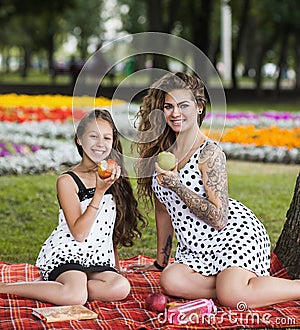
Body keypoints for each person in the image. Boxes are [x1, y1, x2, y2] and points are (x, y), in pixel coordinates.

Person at [134, 71, 300, 308]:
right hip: (196, 248)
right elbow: (163, 211)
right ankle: (237, 285)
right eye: (169, 106)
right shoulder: (162, 155)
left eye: (183, 105)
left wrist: (177, 186)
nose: (175, 113)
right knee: (170, 280)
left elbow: (219, 218)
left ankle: (257, 287)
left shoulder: (209, 153)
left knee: (232, 297)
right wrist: (161, 262)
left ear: (199, 107)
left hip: (233, 235)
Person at [0, 109, 144, 305]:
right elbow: (78, 233)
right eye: (93, 136)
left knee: (121, 287)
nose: (100, 143)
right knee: (75, 297)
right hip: (69, 251)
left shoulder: (113, 177)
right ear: (79, 140)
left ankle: (61, 287)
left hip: (97, 257)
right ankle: (7, 288)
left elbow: (109, 229)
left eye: (107, 138)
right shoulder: (68, 181)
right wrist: (99, 193)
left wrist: (115, 266)